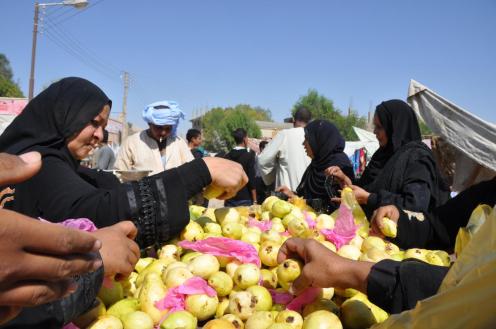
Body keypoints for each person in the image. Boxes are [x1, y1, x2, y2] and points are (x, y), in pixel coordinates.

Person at [0, 77, 247, 328]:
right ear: (64, 115)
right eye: (93, 123)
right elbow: (97, 212)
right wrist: (200, 172)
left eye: (103, 126)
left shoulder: (58, 163)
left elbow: (104, 187)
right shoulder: (39, 163)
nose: (99, 135)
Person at [277, 178, 496, 319]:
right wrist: (400, 220)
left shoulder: (417, 158)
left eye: (381, 127)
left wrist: (348, 271)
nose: (378, 133)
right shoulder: (489, 190)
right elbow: (439, 224)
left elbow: (471, 295)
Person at [326, 99, 450, 218]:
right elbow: (369, 188)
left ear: (394, 128)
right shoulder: (382, 155)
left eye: (379, 127)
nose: (375, 132)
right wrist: (347, 182)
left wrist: (369, 199)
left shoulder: (417, 158)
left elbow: (415, 205)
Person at [277, 119, 354, 213]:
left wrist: (301, 201)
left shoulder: (340, 165)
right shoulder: (316, 164)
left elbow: (335, 205)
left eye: (307, 139)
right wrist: (291, 195)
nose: (303, 143)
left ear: (319, 140)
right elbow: (306, 197)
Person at [114, 100, 194, 175]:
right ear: (149, 123)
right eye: (159, 127)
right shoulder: (131, 142)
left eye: (168, 128)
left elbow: (192, 170)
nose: (163, 132)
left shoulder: (179, 142)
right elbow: (119, 174)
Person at [258, 107, 311, 192]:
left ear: (294, 120)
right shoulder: (316, 136)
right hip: (310, 196)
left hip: (287, 196)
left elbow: (263, 160)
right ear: (309, 121)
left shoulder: (284, 135)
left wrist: (270, 179)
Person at [224, 128, 257, 206]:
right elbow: (251, 178)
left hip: (230, 197)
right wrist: (255, 200)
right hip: (245, 198)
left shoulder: (227, 156)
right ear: (245, 139)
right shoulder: (249, 156)